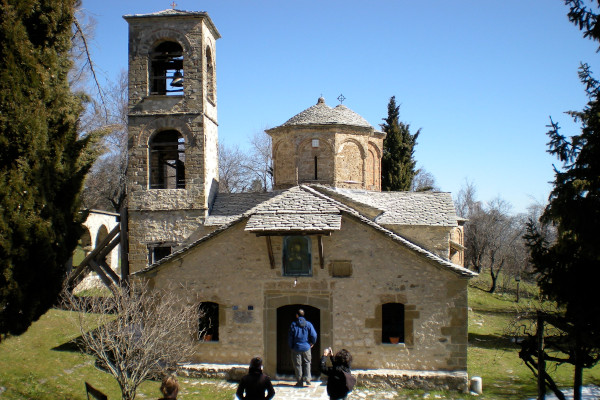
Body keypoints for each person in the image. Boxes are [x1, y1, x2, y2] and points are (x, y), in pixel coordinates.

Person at [287, 308, 317, 387]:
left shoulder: (293, 325)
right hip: (306, 347)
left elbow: (290, 337)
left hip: (296, 347)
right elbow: (314, 335)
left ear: (297, 315)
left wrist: (291, 346)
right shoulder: (308, 324)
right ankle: (307, 379)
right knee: (307, 362)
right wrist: (312, 343)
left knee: (298, 365)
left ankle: (300, 382)